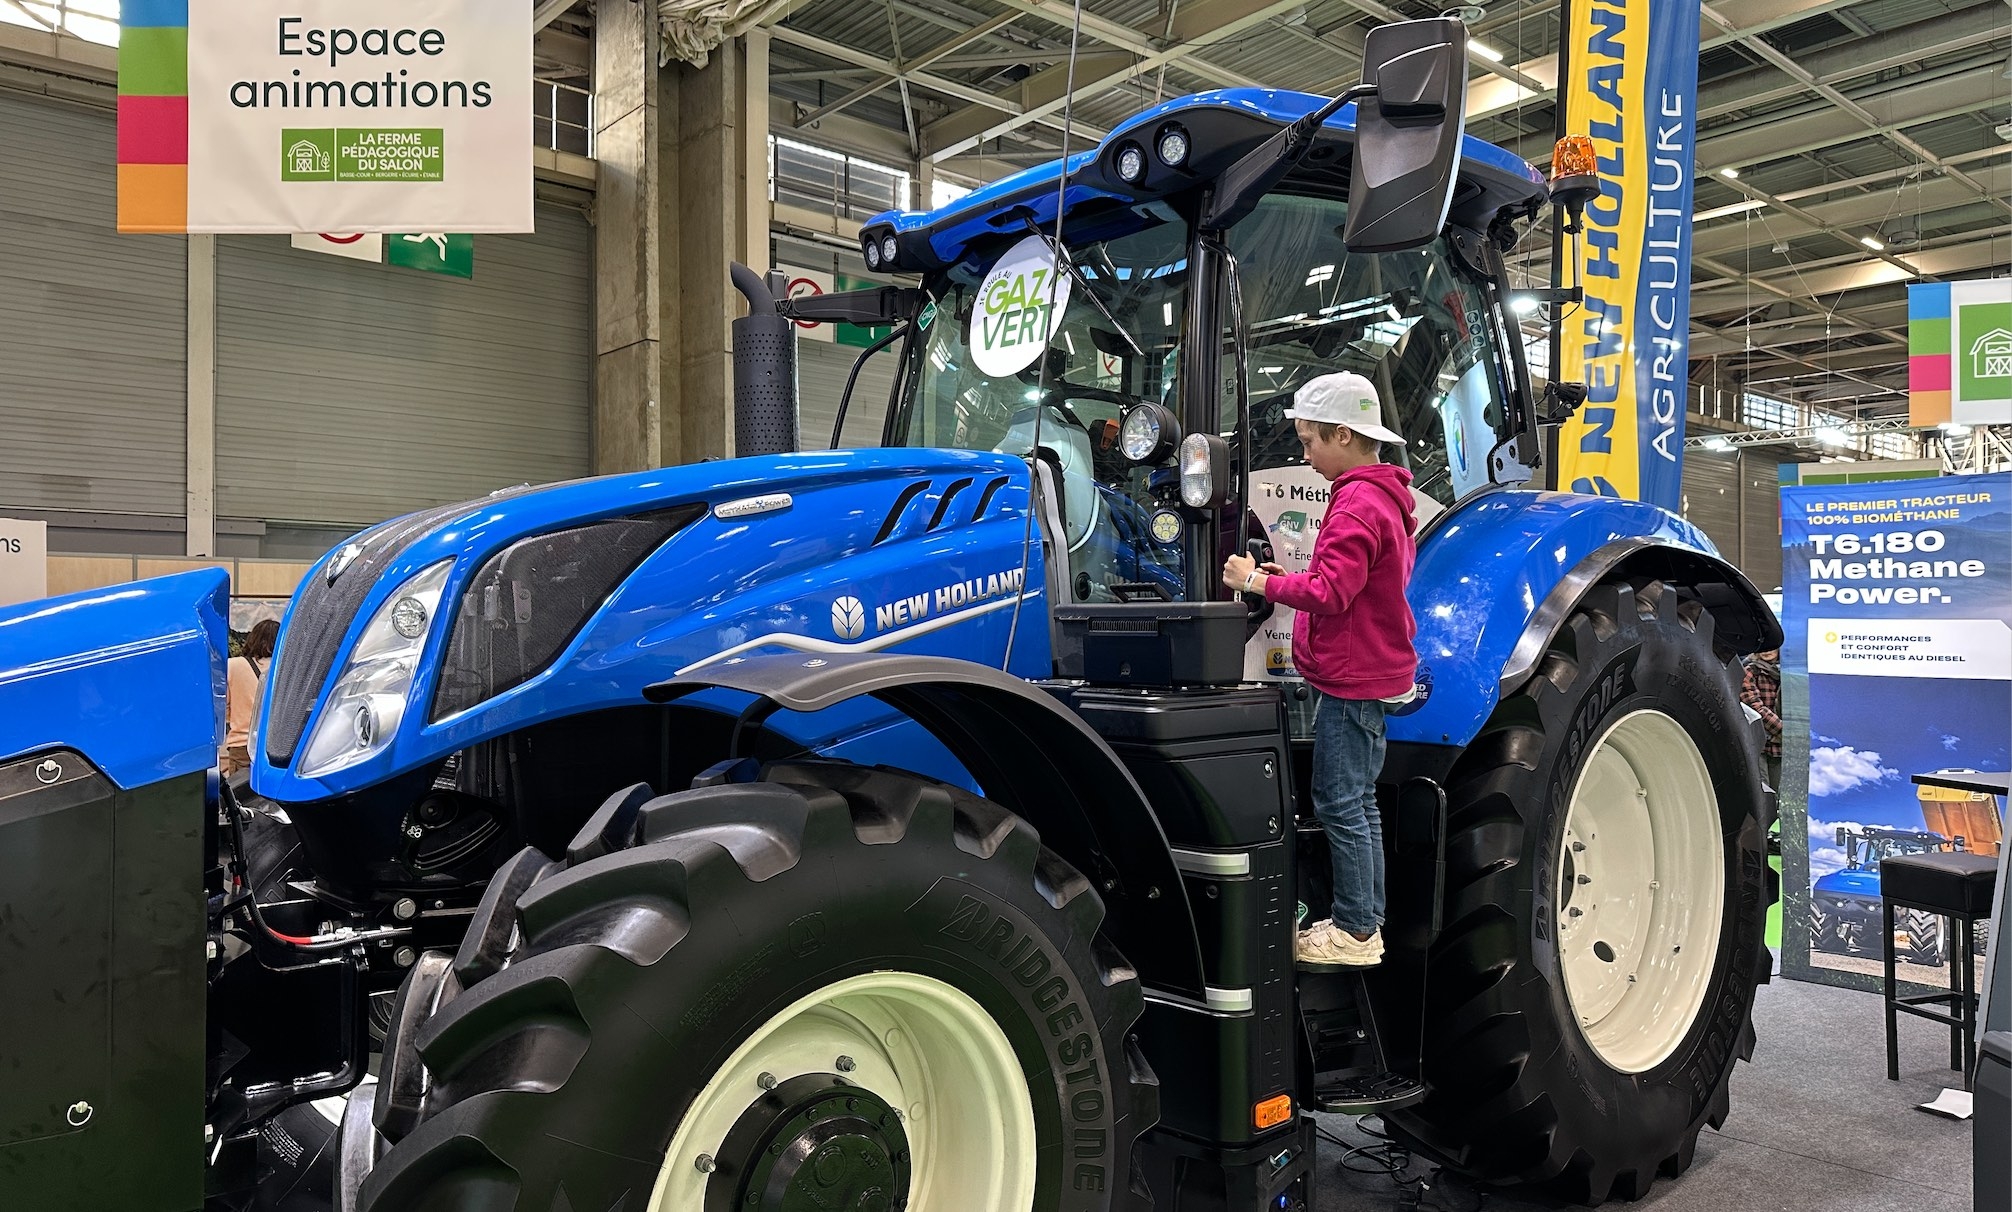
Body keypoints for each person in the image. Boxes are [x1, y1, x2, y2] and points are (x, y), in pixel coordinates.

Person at [1223, 372, 1417, 968]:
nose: (1305, 457)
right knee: (1360, 803)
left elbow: (1331, 592)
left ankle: (1356, 933)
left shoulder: (1358, 504)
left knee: (1338, 802)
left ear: (1342, 433)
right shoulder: (1383, 496)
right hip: (1367, 676)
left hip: (1351, 683)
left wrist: (1256, 580)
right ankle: (1365, 921)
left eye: (1311, 442)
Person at [221, 619, 279, 779]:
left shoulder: (233, 666)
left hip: (242, 744)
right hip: (276, 747)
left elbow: (222, 706)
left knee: (242, 796)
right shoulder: (284, 669)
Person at [1741, 648, 1782, 791]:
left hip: (1780, 748)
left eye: (1772, 647)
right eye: (1763, 647)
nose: (1767, 651)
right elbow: (1753, 706)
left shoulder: (1790, 674)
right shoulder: (1750, 670)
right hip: (1759, 743)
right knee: (1761, 791)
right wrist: (1783, 731)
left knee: (1778, 793)